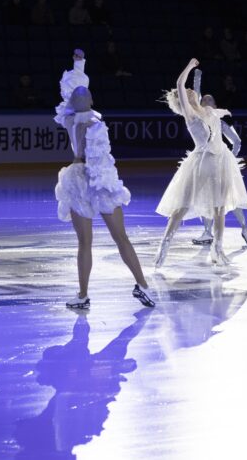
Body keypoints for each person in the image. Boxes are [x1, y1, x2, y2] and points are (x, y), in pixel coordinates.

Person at [53, 49, 155, 309]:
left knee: (99, 241)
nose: (80, 95)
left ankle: (93, 294)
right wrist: (79, 64)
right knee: (111, 239)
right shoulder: (88, 121)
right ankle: (131, 287)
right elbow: (74, 89)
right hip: (92, 182)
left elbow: (72, 88)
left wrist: (79, 64)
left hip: (87, 180)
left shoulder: (70, 118)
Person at [154, 59, 247, 268]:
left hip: (222, 160)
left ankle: (218, 248)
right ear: (184, 102)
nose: (190, 90)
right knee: (182, 207)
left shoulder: (207, 110)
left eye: (191, 90)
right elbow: (180, 84)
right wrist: (189, 66)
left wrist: (222, 111)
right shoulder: (190, 114)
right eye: (189, 92)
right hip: (203, 161)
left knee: (220, 207)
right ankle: (165, 244)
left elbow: (216, 113)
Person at [190, 69, 247, 247]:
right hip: (204, 161)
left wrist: (231, 160)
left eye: (210, 99)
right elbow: (195, 95)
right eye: (204, 100)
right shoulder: (197, 118)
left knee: (229, 197)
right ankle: (206, 232)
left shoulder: (221, 121)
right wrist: (197, 77)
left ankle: (245, 228)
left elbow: (237, 142)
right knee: (205, 197)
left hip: (220, 162)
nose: (206, 101)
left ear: (216, 105)